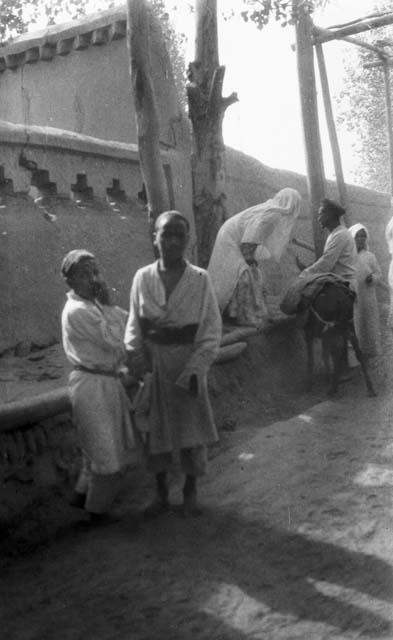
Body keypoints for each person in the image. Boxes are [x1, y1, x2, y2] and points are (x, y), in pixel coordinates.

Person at [124, 211, 222, 517]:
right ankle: (161, 493)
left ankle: (190, 490)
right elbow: (133, 325)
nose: (172, 241)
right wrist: (137, 358)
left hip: (187, 362)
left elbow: (210, 330)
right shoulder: (142, 278)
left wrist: (197, 367)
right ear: (155, 237)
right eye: (166, 234)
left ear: (188, 240)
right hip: (154, 362)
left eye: (180, 235)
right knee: (156, 430)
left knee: (193, 429)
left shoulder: (200, 280)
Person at [61, 249, 134, 526]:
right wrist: (113, 306)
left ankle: (81, 497)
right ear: (70, 281)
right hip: (91, 386)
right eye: (84, 274)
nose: (93, 278)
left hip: (105, 382)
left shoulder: (93, 305)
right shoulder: (78, 311)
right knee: (105, 453)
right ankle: (97, 512)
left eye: (95, 271)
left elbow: (127, 323)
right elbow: (115, 339)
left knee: (98, 449)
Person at [207, 188, 302, 327]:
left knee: (246, 273)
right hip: (231, 239)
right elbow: (249, 240)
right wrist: (249, 258)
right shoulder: (272, 214)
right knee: (243, 274)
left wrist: (251, 258)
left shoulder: (272, 211)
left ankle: (234, 313)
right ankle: (242, 315)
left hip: (231, 236)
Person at [296, 198, 358, 289]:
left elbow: (326, 263)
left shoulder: (340, 235)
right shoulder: (335, 234)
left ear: (329, 215)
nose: (318, 219)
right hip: (340, 284)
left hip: (344, 286)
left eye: (320, 214)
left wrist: (303, 275)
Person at [349, 223, 382, 358]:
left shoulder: (370, 256)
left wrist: (373, 278)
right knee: (356, 321)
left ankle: (371, 349)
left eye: (363, 237)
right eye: (358, 237)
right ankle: (357, 351)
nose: (361, 239)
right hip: (354, 294)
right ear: (352, 238)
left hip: (368, 294)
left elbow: (378, 273)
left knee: (369, 321)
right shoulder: (348, 256)